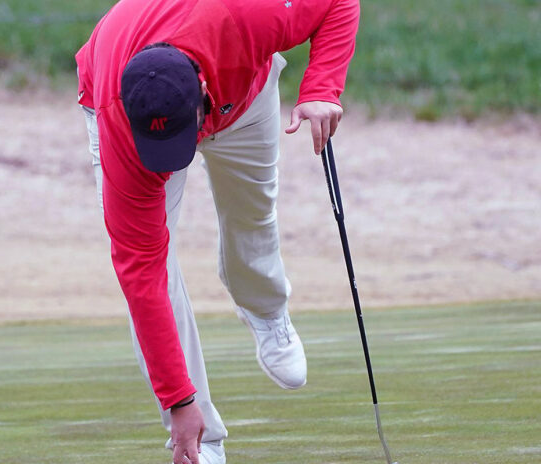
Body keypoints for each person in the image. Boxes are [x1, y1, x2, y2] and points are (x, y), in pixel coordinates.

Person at [75, 0, 360, 462]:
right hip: (130, 106)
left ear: (203, 90)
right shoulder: (121, 123)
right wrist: (179, 402)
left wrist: (322, 86)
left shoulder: (253, 15)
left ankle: (267, 311)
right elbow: (141, 277)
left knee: (253, 213)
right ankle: (199, 437)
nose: (180, 156)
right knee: (159, 273)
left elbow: (340, 3)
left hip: (243, 96)